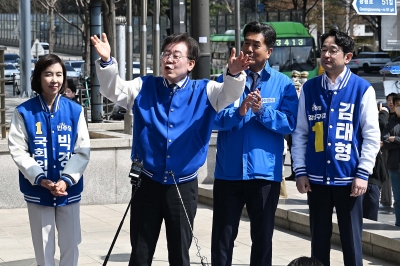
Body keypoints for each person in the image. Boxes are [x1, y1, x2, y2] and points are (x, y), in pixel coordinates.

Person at [90, 32, 249, 266]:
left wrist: (234, 75)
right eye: (166, 54)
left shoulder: (206, 90)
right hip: (147, 182)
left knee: (179, 253)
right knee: (141, 252)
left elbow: (230, 93)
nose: (169, 60)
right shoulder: (144, 86)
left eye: (176, 55)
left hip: (183, 184)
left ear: (191, 63)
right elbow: (113, 89)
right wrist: (106, 63)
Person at [211, 21, 298, 266]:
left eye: (255, 44)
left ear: (269, 51)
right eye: (246, 42)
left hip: (264, 175)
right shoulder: (225, 79)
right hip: (229, 173)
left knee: (262, 238)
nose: (248, 49)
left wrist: (262, 111)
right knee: (222, 238)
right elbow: (215, 118)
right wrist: (240, 111)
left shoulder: (283, 84)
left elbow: (290, 123)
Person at [291, 28, 380, 266]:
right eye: (323, 50)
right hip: (316, 180)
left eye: (333, 50)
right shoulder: (310, 89)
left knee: (352, 242)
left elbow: (372, 136)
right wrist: (299, 170)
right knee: (318, 242)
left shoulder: (362, 89)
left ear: (347, 57)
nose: (327, 55)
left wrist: (363, 174)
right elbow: (300, 133)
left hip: (350, 180)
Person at [8, 54, 90, 266]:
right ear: (38, 78)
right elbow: (18, 150)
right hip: (38, 190)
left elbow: (82, 150)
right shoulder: (23, 112)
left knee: (71, 244)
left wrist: (66, 180)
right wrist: (40, 178)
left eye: (59, 74)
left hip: (68, 191)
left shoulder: (75, 111)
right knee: (44, 248)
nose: (55, 79)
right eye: (48, 74)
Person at [382, 93, 400, 227]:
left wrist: (396, 139)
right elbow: (385, 142)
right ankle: (399, 223)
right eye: (398, 105)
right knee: (398, 199)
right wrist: (391, 140)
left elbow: (390, 140)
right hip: (394, 166)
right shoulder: (390, 122)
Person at [380, 92, 397, 207]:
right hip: (385, 148)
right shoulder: (386, 117)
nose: (390, 102)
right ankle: (386, 200)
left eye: (392, 100)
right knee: (386, 175)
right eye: (388, 100)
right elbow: (385, 137)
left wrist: (394, 139)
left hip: (394, 150)